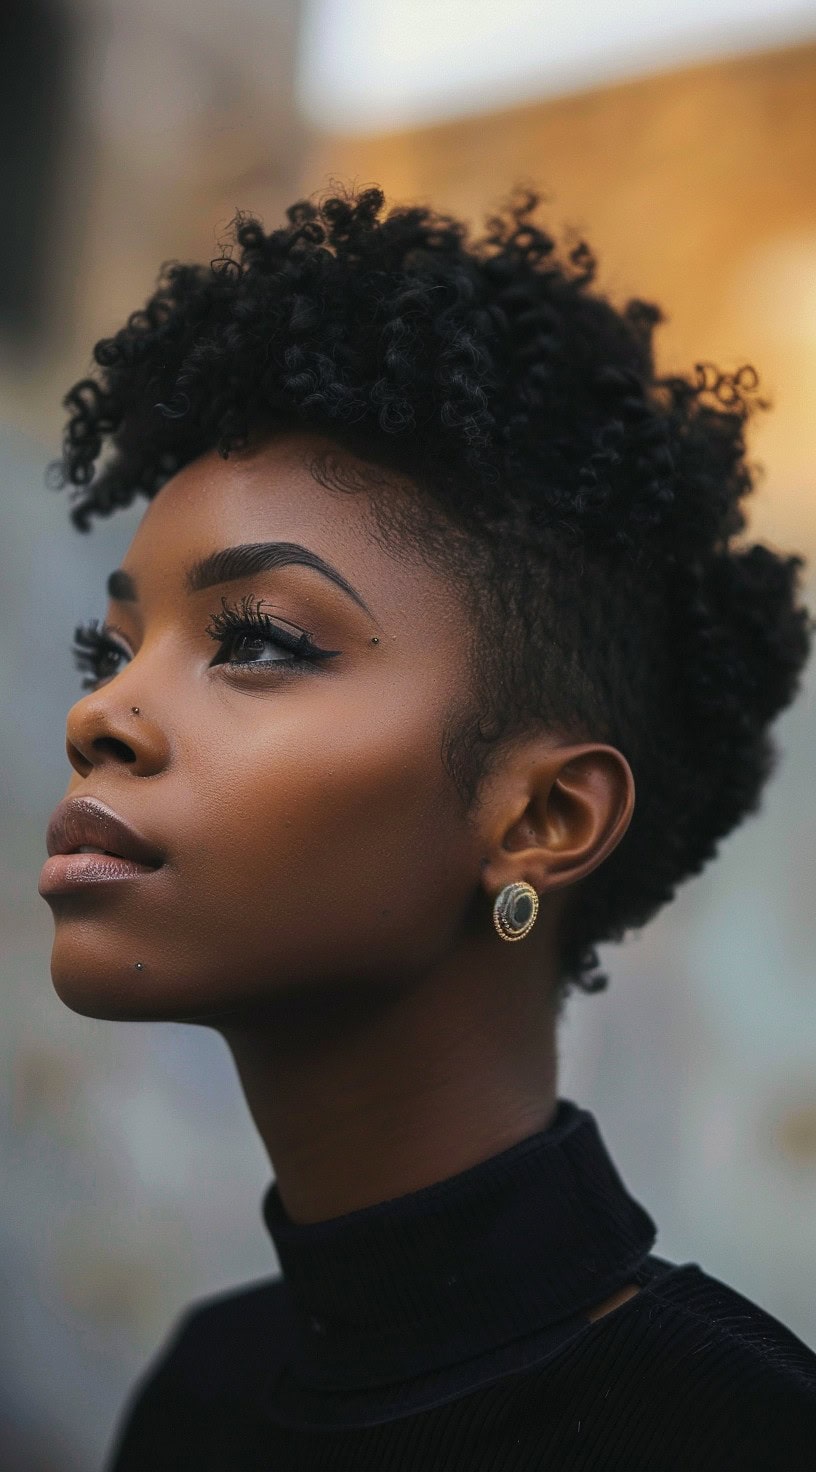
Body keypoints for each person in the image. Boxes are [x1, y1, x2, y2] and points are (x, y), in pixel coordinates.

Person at [39, 185, 816, 1469]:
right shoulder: (202, 1397)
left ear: (542, 818)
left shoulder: (731, 1430)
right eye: (108, 645)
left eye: (258, 639)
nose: (100, 713)